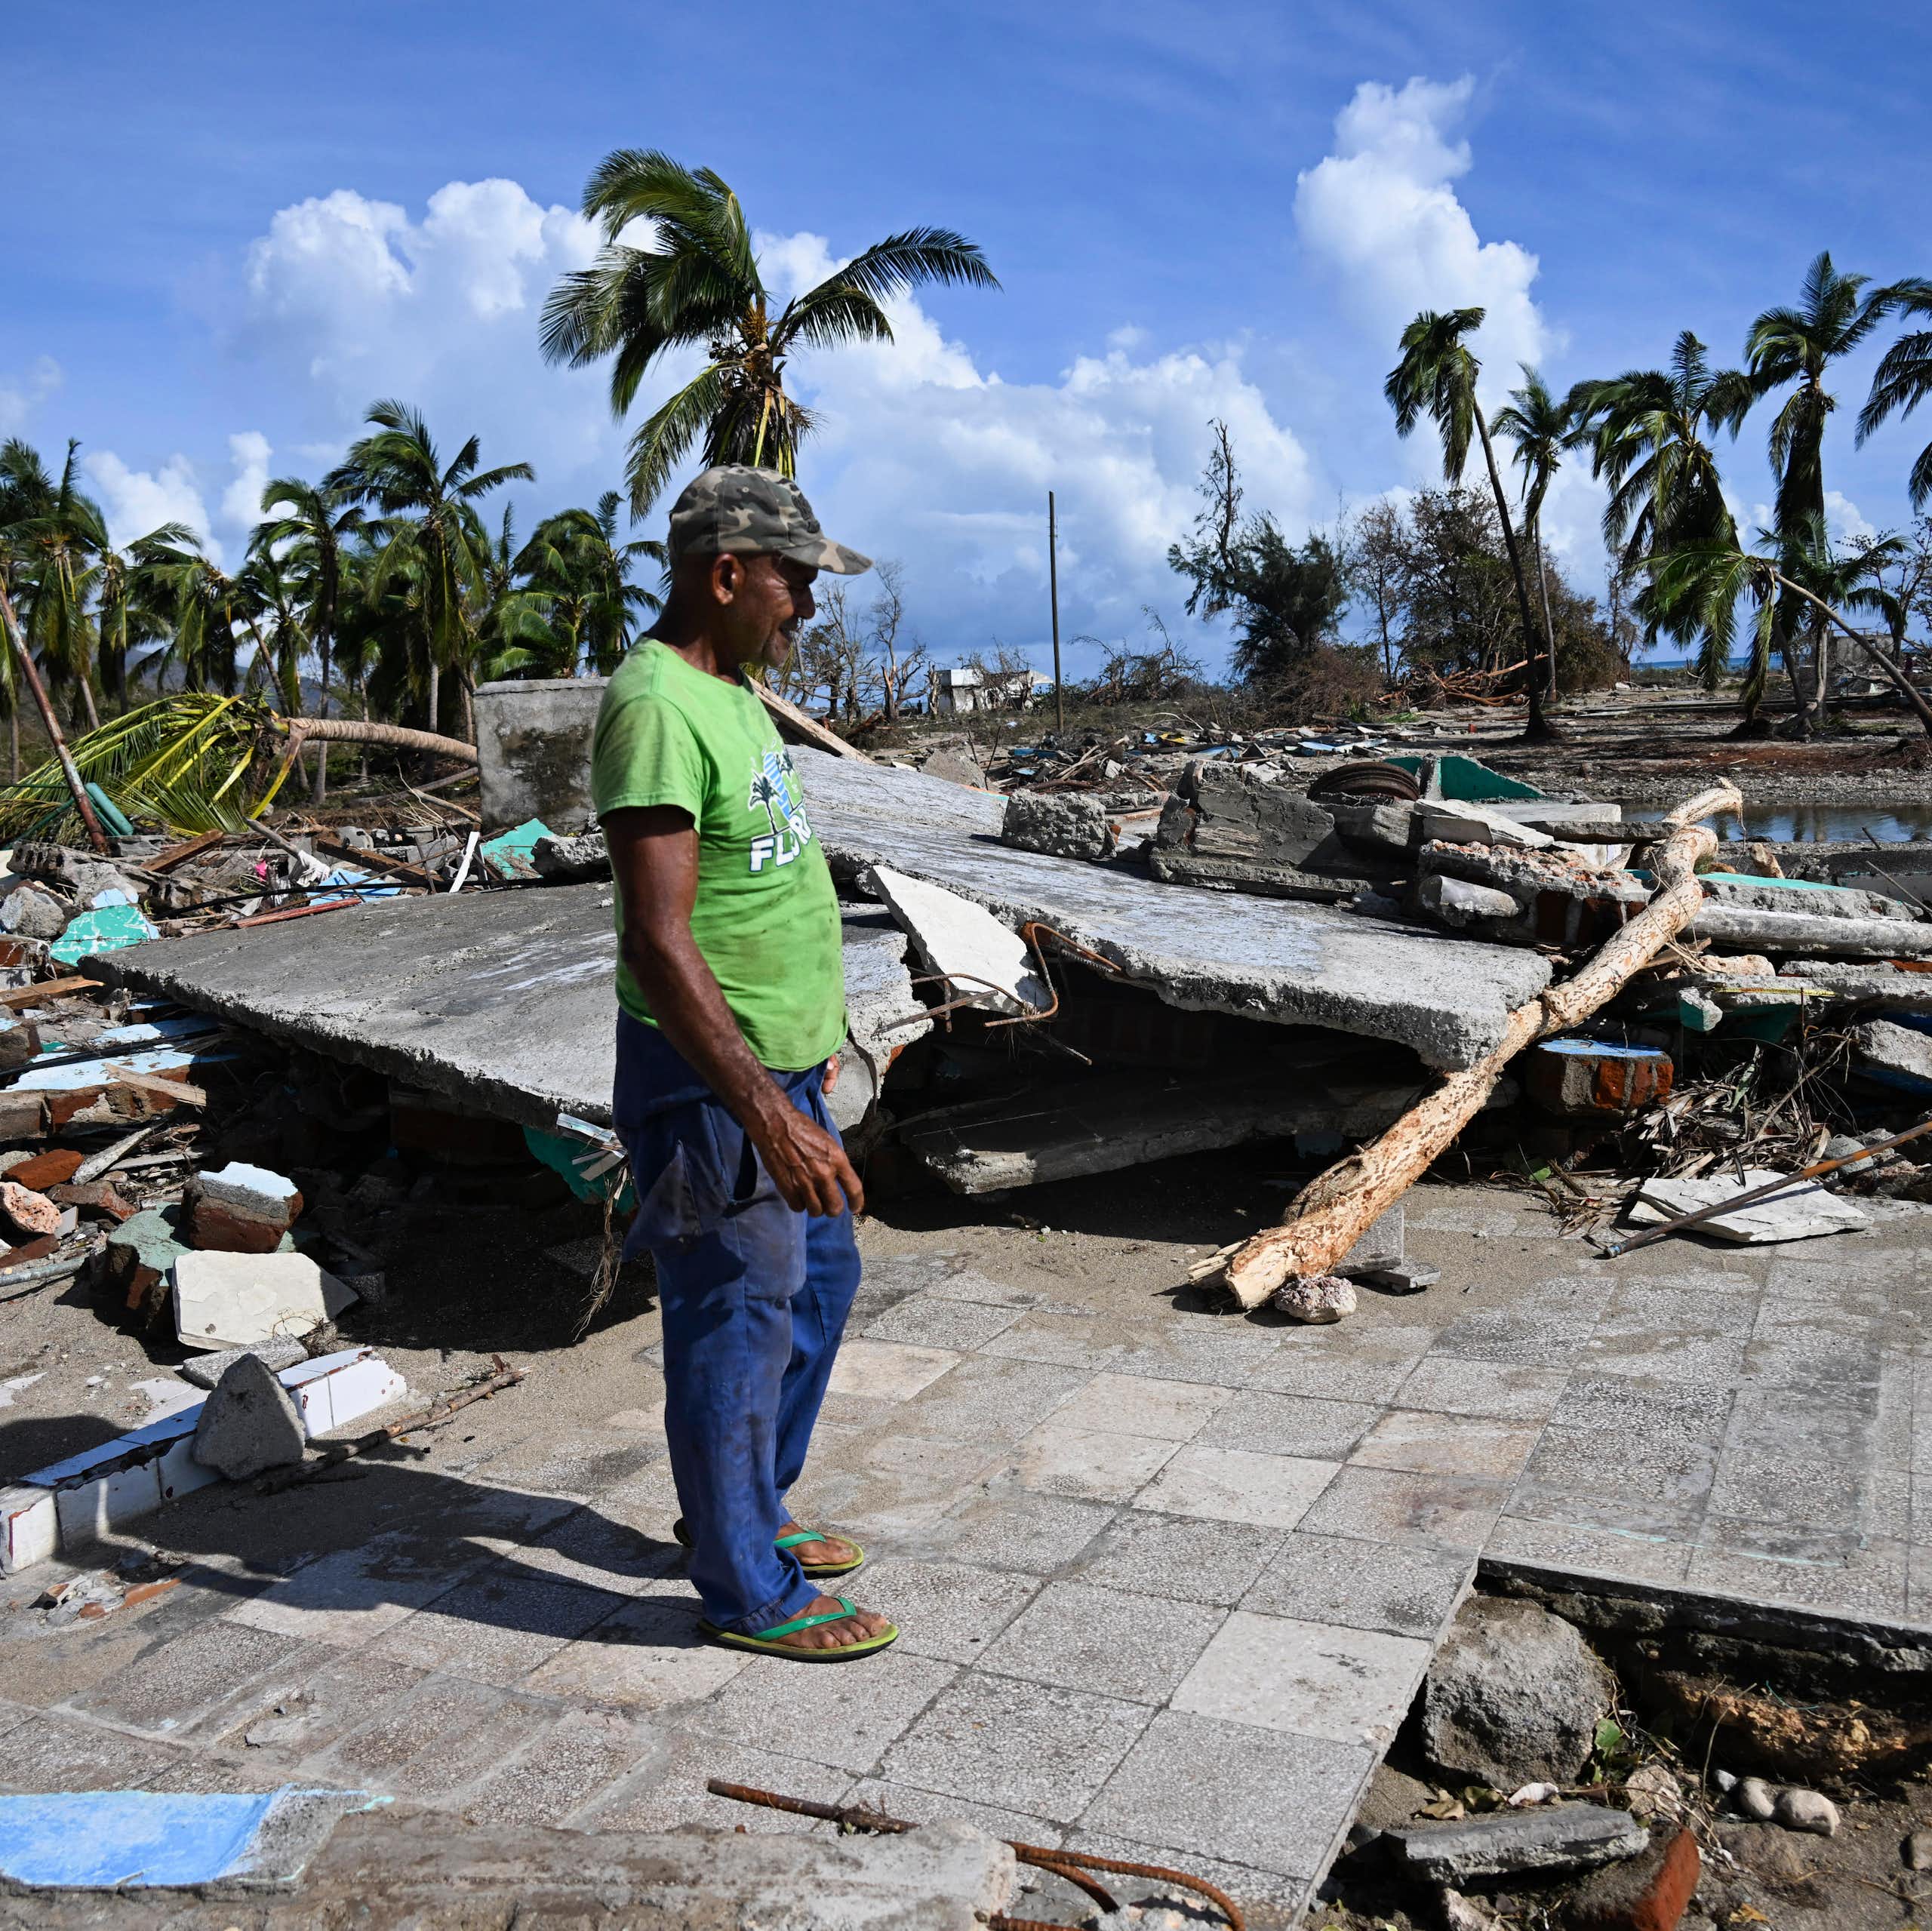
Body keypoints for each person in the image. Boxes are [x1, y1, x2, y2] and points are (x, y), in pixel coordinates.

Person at [591, 465, 895, 1662]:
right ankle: (743, 1589)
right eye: (796, 584)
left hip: (786, 1075)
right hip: (715, 1092)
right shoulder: (657, 704)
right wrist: (766, 1112)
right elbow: (658, 944)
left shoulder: (734, 692)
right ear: (726, 576)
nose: (808, 608)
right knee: (734, 1319)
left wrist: (809, 1074)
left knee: (816, 1292)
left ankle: (746, 1513)